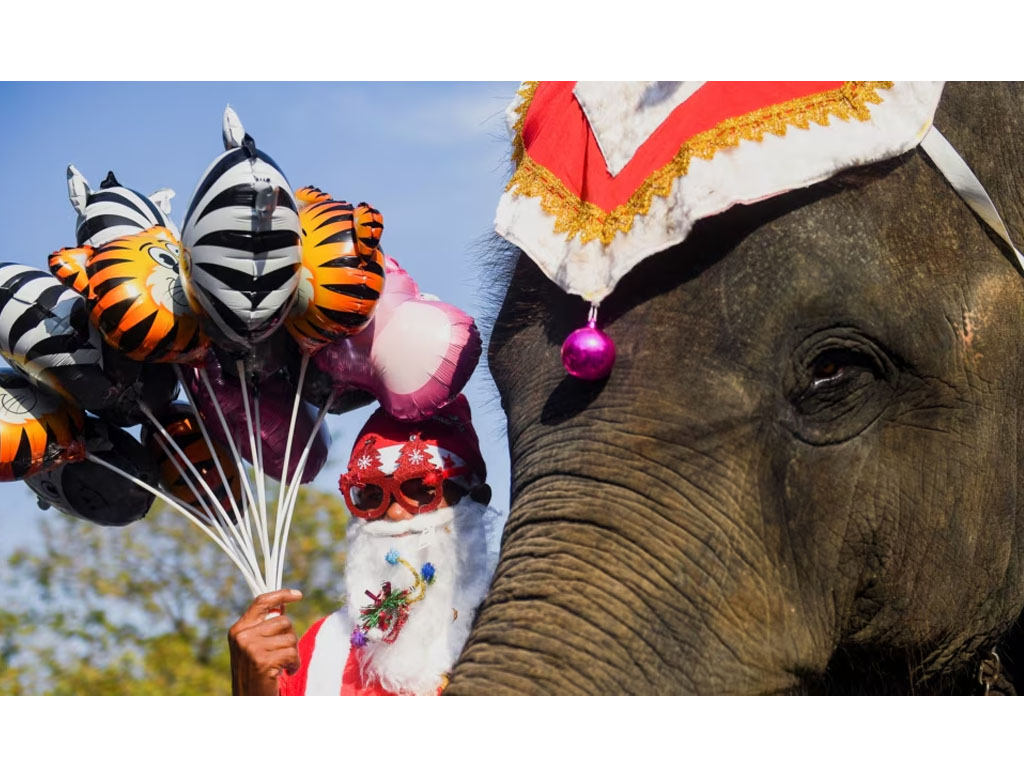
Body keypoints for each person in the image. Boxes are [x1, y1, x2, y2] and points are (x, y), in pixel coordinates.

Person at [228, 394, 500, 695]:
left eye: (421, 491)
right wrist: (252, 692)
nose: (395, 513)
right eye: (372, 496)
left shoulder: (521, 628)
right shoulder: (323, 648)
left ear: (476, 499)